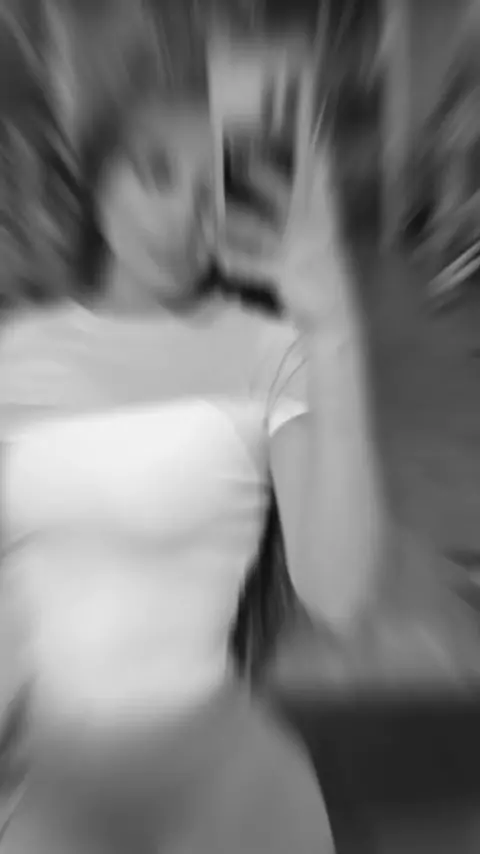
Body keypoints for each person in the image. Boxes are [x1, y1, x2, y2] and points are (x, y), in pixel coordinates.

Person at [0, 9, 386, 854]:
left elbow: (339, 591)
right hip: (55, 792)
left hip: (229, 796)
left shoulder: (264, 350)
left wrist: (331, 329)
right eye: (157, 174)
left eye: (216, 193)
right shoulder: (16, 356)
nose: (183, 218)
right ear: (101, 182)